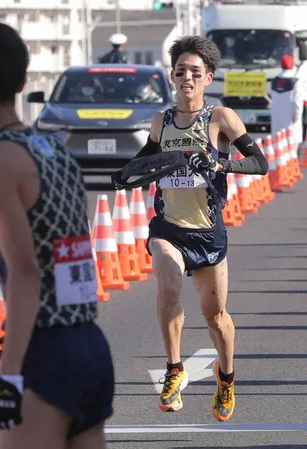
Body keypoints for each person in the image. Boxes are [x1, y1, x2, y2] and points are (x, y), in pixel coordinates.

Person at [0, 20, 114, 449]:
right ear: (22, 81)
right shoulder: (56, 148)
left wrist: (9, 376)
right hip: (89, 341)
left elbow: (25, 273)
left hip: (45, 350)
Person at [111, 35, 268, 422]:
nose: (187, 78)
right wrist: (124, 175)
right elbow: (143, 162)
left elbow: (260, 163)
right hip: (168, 227)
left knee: (216, 317)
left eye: (195, 72)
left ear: (208, 77)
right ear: (172, 75)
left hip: (208, 231)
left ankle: (226, 378)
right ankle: (174, 370)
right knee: (167, 285)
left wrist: (220, 166)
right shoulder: (160, 121)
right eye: (180, 71)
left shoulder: (220, 118)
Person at [271, 54, 305, 149]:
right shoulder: (296, 81)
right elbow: (298, 101)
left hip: (277, 119)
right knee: (291, 146)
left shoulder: (274, 81)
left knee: (278, 145)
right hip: (290, 118)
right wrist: (297, 115)